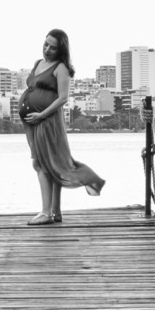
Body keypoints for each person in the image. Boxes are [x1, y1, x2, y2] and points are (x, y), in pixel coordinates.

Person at [19, 29, 105, 225]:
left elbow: (63, 98)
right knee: (50, 164)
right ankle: (55, 212)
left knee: (42, 164)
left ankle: (45, 213)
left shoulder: (61, 68)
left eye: (52, 47)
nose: (47, 49)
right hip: (32, 122)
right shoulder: (38, 64)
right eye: (45, 44)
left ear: (61, 50)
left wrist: (41, 114)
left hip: (46, 120)